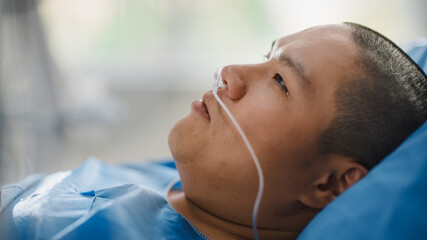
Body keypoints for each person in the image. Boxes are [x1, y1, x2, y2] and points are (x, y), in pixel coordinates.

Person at [1, 22, 426, 240]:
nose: (229, 74)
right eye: (266, 56)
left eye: (281, 81)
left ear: (331, 183)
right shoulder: (174, 179)